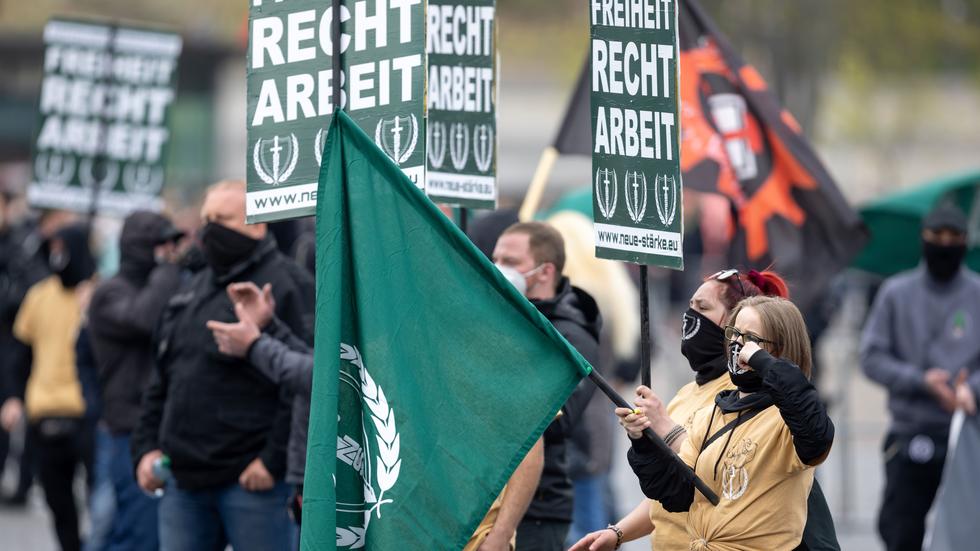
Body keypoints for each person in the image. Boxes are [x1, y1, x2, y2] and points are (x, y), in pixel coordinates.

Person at [572, 270, 839, 551]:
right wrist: (643, 444)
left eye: (749, 339)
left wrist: (763, 361)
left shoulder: (786, 420)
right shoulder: (715, 409)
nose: (737, 346)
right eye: (734, 335)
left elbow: (815, 430)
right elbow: (679, 492)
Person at [131, 180, 314, 551]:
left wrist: (271, 462)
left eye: (223, 218)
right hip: (183, 481)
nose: (210, 228)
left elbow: (305, 379)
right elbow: (161, 379)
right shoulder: (190, 288)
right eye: (206, 219)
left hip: (252, 483)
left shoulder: (289, 285)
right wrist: (145, 448)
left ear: (258, 224)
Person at [860, 202, 980, 551]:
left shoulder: (976, 294)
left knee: (966, 533)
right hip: (911, 432)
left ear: (965, 241)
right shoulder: (896, 293)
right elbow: (871, 356)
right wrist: (919, 380)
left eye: (953, 237)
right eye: (936, 237)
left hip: (967, 436)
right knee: (901, 531)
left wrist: (970, 389)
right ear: (923, 240)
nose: (945, 244)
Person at [491, 221, 601, 550]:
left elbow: (557, 420)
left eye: (510, 263)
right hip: (488, 494)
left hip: (538, 507)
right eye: (495, 259)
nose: (498, 269)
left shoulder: (572, 336)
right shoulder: (502, 314)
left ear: (544, 271)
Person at [88, 211, 185, 550]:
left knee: (161, 534)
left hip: (169, 428)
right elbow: (145, 318)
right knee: (136, 532)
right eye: (163, 245)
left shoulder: (165, 284)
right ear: (144, 248)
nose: (171, 252)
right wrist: (169, 270)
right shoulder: (109, 293)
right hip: (129, 431)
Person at [2, 222, 98, 551]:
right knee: (59, 501)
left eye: (63, 250)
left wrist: (95, 309)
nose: (58, 257)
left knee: (101, 502)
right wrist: (14, 397)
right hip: (45, 413)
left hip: (87, 415)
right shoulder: (39, 297)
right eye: (53, 249)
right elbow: (21, 355)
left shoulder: (98, 296)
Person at [0, 190, 45, 506]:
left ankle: (23, 481)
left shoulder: (21, 247)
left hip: (13, 344)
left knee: (15, 412)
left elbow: (30, 292)